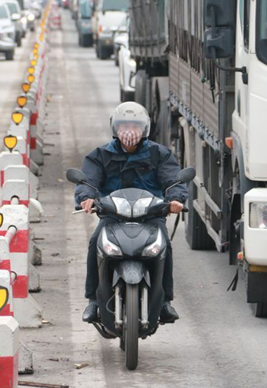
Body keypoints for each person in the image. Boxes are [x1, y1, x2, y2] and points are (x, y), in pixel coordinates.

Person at [74, 102, 187, 324]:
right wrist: (86, 198)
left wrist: (175, 199)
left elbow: (173, 180)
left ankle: (165, 302)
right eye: (124, 125)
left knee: (165, 246)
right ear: (114, 128)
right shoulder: (100, 155)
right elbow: (88, 180)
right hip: (112, 215)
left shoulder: (160, 154)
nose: (129, 131)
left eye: (134, 125)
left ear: (145, 128)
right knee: (95, 242)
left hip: (151, 215)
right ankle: (93, 301)